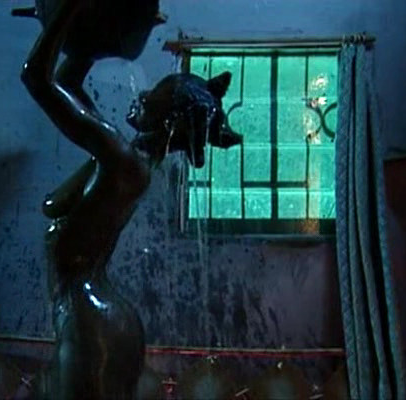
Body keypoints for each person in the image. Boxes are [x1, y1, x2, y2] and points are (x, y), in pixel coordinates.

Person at [20, 1, 241, 398]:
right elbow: (67, 86)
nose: (144, 95)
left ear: (168, 121)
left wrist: (68, 10)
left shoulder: (120, 159)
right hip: (99, 316)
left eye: (158, 93)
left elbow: (36, 78)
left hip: (90, 320)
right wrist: (85, 42)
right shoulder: (122, 159)